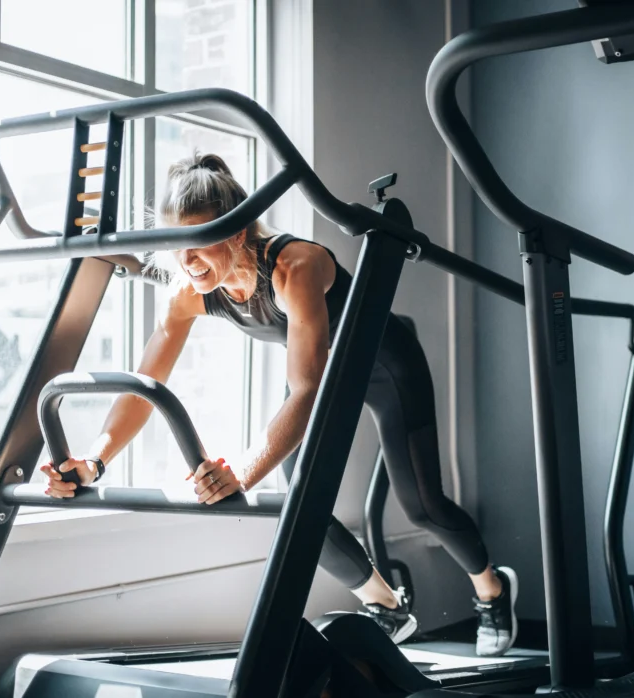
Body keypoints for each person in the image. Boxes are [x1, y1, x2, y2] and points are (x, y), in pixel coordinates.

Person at [39, 153, 519, 658]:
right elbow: (144, 386)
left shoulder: (295, 266)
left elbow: (307, 389)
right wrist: (93, 462)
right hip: (322, 371)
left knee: (422, 504)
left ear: (239, 232)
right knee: (300, 498)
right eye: (178, 246)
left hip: (386, 366)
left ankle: (493, 589)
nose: (189, 261)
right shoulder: (188, 291)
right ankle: (387, 605)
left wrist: (241, 472)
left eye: (201, 242)